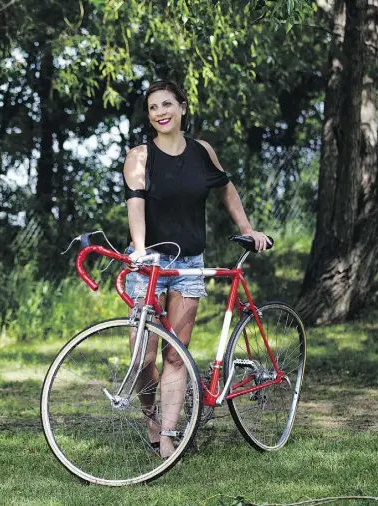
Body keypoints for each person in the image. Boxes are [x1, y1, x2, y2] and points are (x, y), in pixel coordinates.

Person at [122, 80, 271, 459]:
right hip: (149, 261)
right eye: (153, 107)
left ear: (183, 107)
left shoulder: (202, 152)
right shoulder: (139, 156)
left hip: (189, 263)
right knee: (143, 356)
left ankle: (169, 434)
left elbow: (226, 189)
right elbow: (135, 205)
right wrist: (139, 250)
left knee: (177, 353)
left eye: (167, 104)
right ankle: (150, 415)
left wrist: (246, 229)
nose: (161, 112)